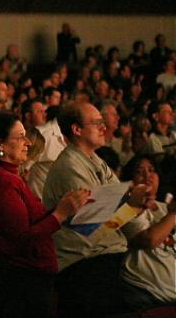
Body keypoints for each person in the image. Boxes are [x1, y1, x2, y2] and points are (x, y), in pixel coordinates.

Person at [42, 102, 150, 318]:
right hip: (84, 264)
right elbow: (97, 225)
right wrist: (132, 206)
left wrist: (143, 225)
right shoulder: (70, 166)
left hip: (105, 257)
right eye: (97, 123)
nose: (104, 127)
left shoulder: (96, 161)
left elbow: (119, 206)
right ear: (76, 129)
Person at [0, 113, 87, 318]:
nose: (27, 142)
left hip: (28, 274)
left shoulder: (10, 176)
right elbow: (21, 236)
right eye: (20, 137)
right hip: (20, 279)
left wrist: (63, 207)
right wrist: (60, 214)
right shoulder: (3, 181)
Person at [119, 156, 176, 309]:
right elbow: (148, 240)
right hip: (146, 294)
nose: (147, 175)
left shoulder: (165, 208)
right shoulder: (124, 208)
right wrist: (174, 214)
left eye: (152, 170)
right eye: (139, 171)